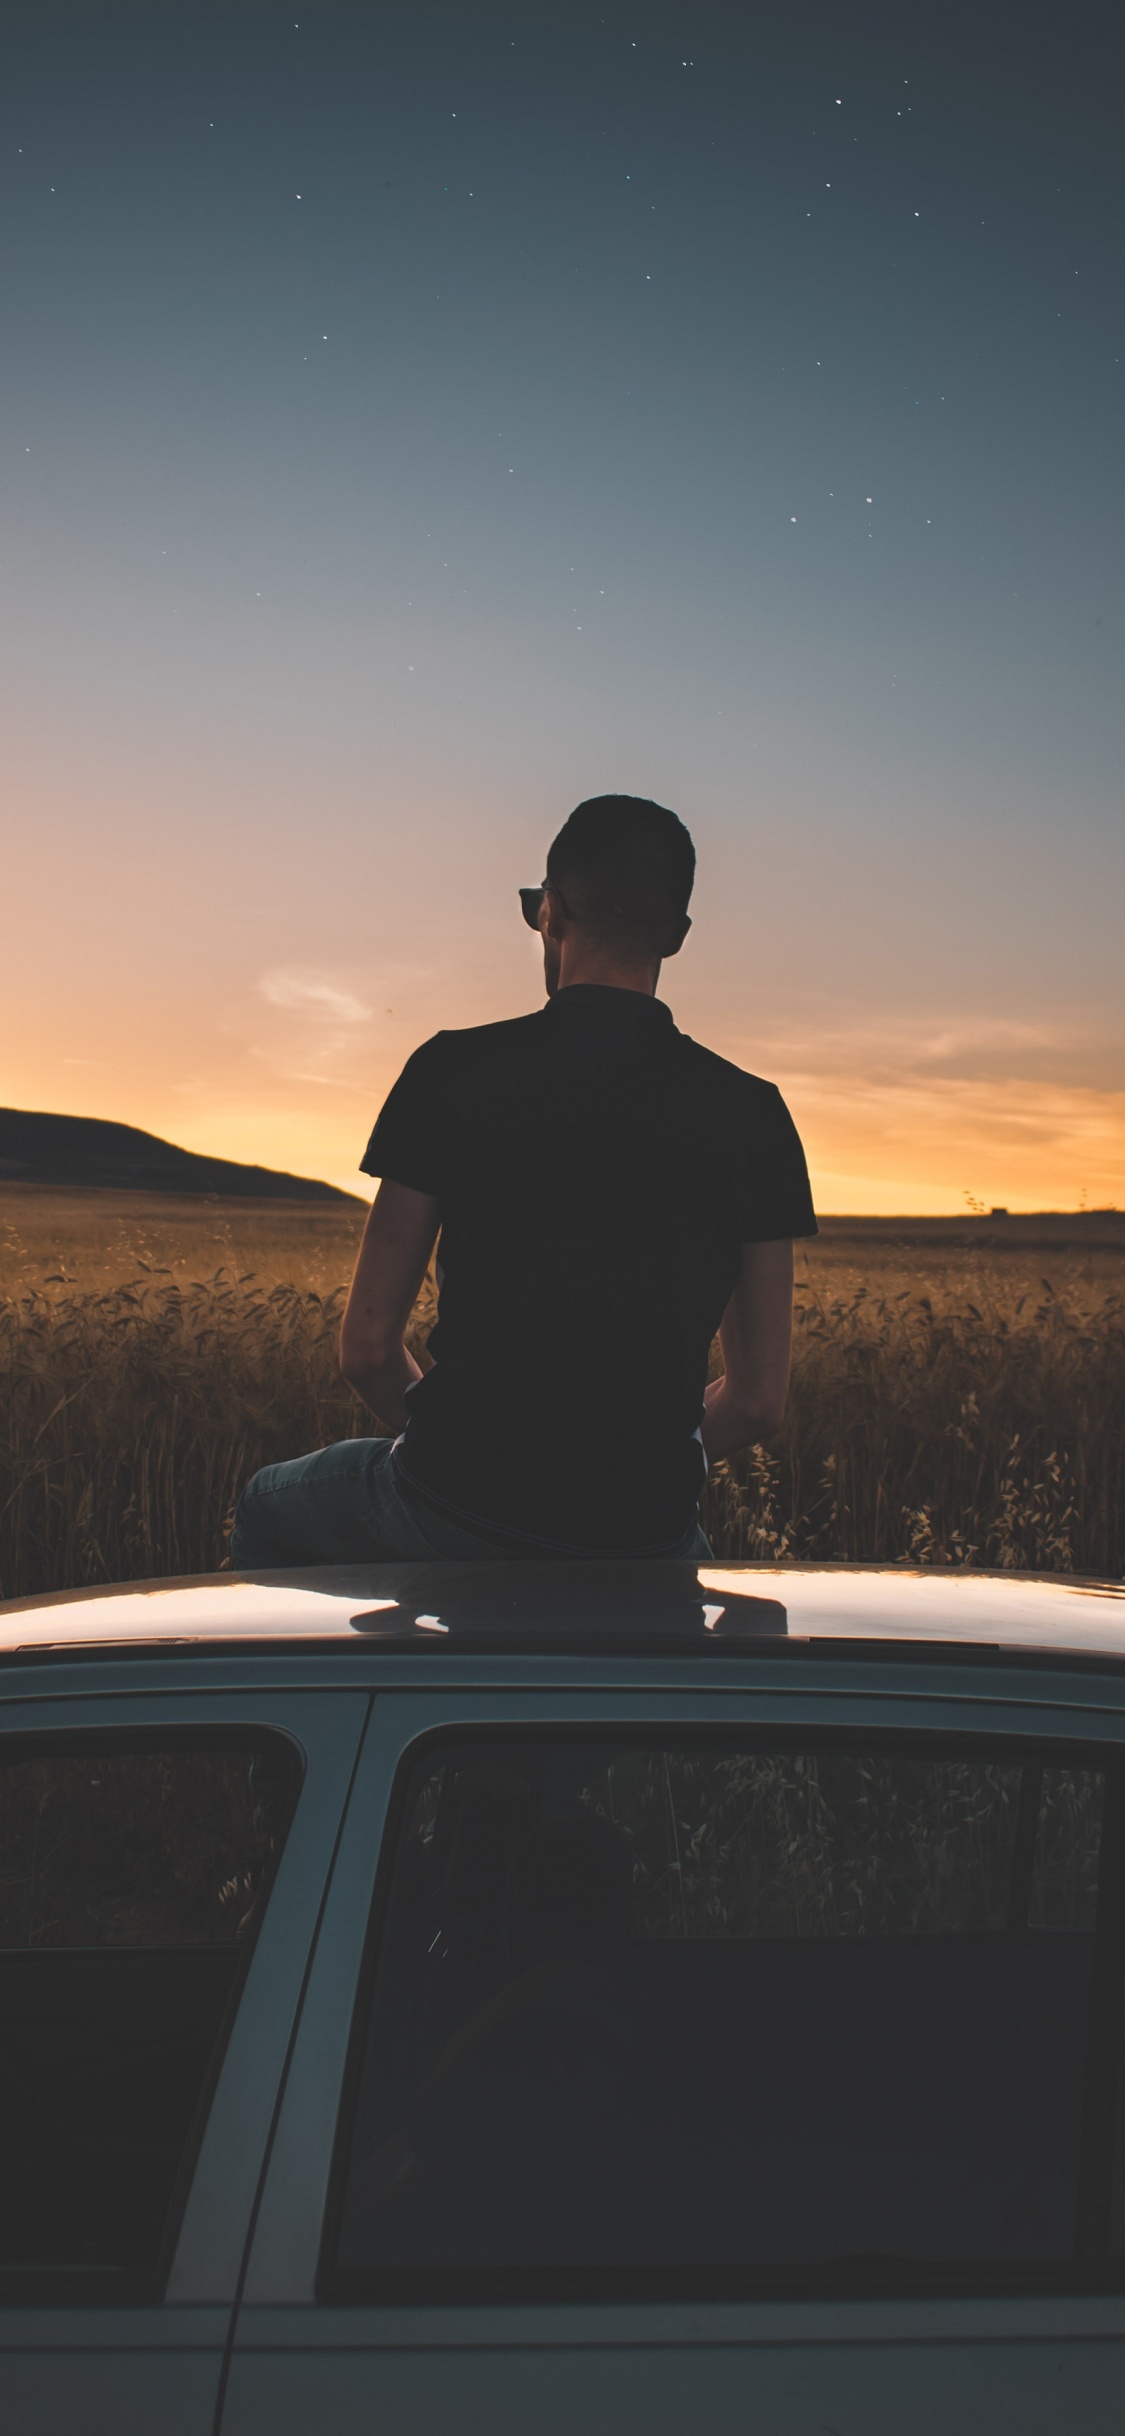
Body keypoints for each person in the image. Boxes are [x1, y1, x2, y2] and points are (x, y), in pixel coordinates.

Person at [230, 794, 817, 1567]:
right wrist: (614, 1474)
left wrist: (477, 1455)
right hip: (643, 1528)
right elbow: (755, 1403)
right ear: (673, 938)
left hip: (452, 1499)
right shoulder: (753, 1115)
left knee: (265, 1506)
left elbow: (368, 1352)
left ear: (549, 912)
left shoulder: (450, 1071)